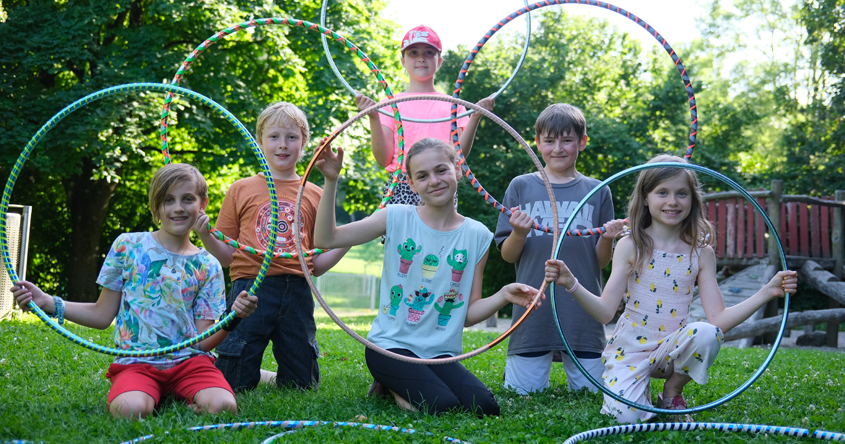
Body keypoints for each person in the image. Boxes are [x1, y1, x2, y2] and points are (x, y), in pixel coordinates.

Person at [544, 154, 799, 423]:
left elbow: (719, 321)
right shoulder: (631, 246)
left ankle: (672, 391)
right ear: (645, 197)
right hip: (629, 350)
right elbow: (606, 312)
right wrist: (571, 283)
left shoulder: (701, 253)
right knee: (625, 416)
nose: (672, 201)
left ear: (693, 199)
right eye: (662, 192)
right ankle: (637, 396)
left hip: (671, 349)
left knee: (707, 333)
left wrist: (767, 292)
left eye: (682, 193)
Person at [313, 137, 543, 417]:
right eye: (422, 176)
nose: (434, 180)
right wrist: (331, 180)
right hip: (390, 348)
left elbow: (467, 314)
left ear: (458, 169)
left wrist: (504, 294)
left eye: (441, 170)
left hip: (440, 354)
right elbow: (327, 237)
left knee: (486, 407)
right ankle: (389, 384)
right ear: (411, 184)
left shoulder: (477, 235)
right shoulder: (396, 216)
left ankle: (400, 386)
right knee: (442, 406)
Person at [11, 163, 259, 420]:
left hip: (191, 365)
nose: (178, 208)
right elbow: (102, 314)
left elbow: (201, 341)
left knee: (223, 406)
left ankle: (170, 397)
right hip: (137, 363)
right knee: (130, 411)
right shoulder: (128, 245)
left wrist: (234, 317)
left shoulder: (207, 264)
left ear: (203, 204)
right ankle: (150, 396)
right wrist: (49, 302)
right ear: (156, 206)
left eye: (187, 199)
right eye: (168, 200)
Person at [197, 102, 348, 392]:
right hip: (249, 289)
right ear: (260, 141)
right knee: (233, 381)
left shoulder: (315, 194)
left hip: (298, 290)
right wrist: (205, 236)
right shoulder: (240, 189)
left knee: (303, 385)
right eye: (274, 137)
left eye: (292, 137)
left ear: (303, 144)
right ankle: (249, 370)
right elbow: (228, 257)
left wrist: (348, 241)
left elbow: (317, 264)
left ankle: (278, 373)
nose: (283, 145)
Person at [494, 103, 626, 395]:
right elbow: (508, 255)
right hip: (533, 310)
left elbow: (601, 262)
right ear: (537, 142)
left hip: (581, 313)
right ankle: (519, 365)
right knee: (522, 394)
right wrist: (518, 232)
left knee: (593, 393)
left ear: (582, 142)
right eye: (550, 140)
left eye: (567, 140)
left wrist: (607, 238)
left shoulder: (597, 191)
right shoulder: (521, 186)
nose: (558, 148)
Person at [355, 24, 495, 207]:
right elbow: (383, 159)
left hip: (441, 186)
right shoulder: (390, 105)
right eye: (413, 53)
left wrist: (475, 117)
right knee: (400, 236)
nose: (421, 58)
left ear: (439, 61)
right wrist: (373, 117)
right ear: (403, 61)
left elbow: (459, 154)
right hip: (401, 185)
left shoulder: (455, 106)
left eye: (429, 53)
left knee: (441, 235)